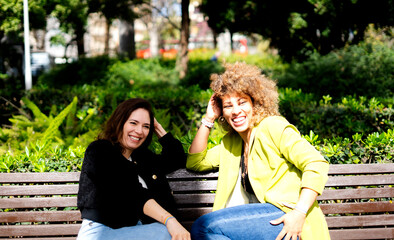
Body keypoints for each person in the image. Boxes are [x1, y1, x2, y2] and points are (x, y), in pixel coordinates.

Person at [186, 62, 330, 240]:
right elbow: (195, 162)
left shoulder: (272, 126)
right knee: (209, 233)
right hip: (263, 225)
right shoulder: (231, 142)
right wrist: (208, 118)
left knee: (203, 227)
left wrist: (298, 213)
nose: (236, 111)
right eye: (228, 105)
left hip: (289, 219)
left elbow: (316, 163)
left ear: (255, 103)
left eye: (242, 102)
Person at [77, 98, 190, 240]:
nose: (139, 131)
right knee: (164, 232)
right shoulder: (100, 151)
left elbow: (177, 158)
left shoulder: (143, 158)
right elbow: (133, 192)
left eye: (145, 126)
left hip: (138, 230)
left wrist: (157, 127)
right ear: (120, 122)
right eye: (133, 123)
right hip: (102, 231)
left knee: (164, 232)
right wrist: (170, 220)